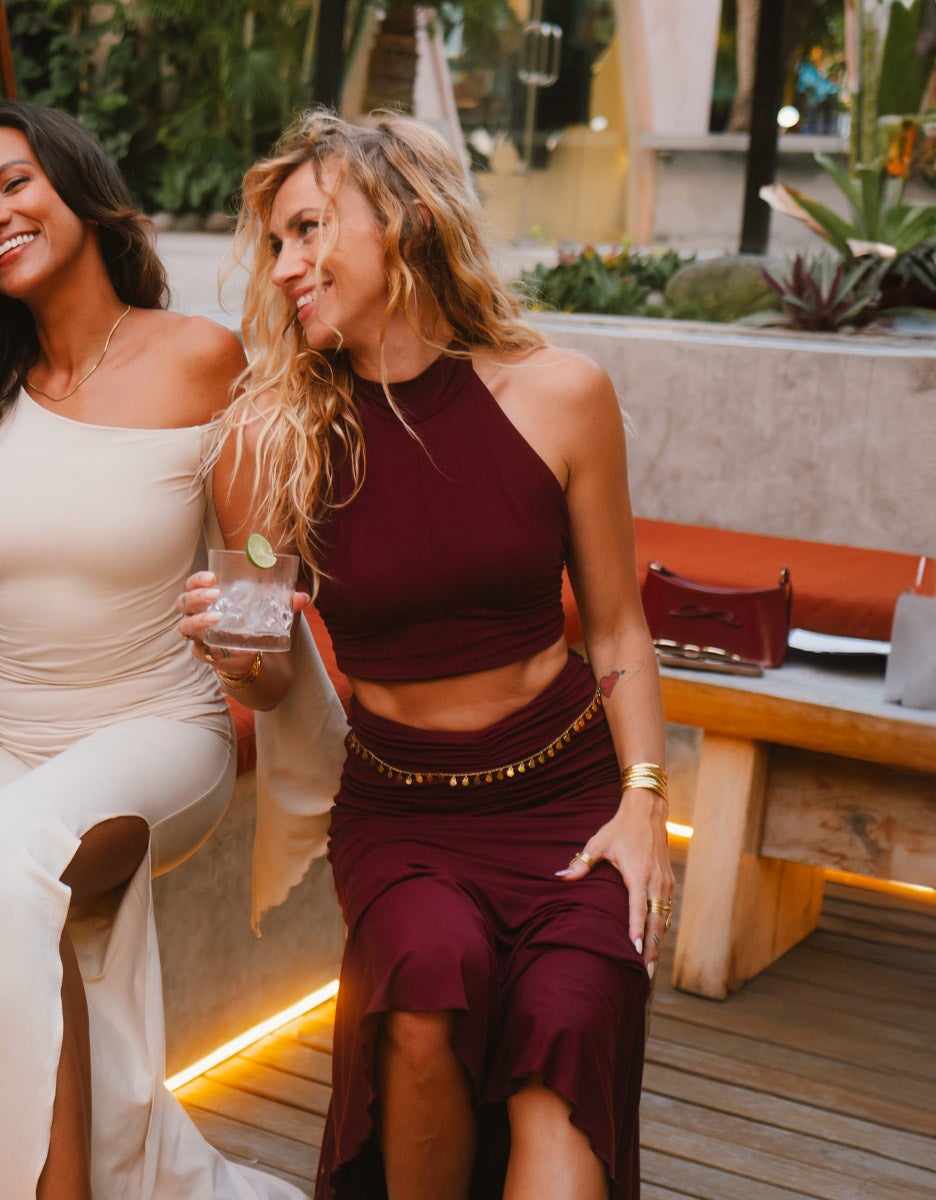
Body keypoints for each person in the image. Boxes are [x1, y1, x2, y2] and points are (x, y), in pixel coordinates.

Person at [178, 111, 673, 1200]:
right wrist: (238, 657)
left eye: (309, 229)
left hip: (566, 799)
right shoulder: (270, 439)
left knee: (569, 1029)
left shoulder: (563, 395)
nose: (284, 265)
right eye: (274, 244)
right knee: (419, 991)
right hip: (404, 814)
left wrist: (644, 798)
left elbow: (617, 628)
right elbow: (267, 669)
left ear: (403, 218)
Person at [0, 100, 305, 1200]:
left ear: (78, 187)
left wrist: (254, 643)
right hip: (3, 740)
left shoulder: (202, 359)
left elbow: (259, 583)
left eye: (14, 183)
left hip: (156, 730)